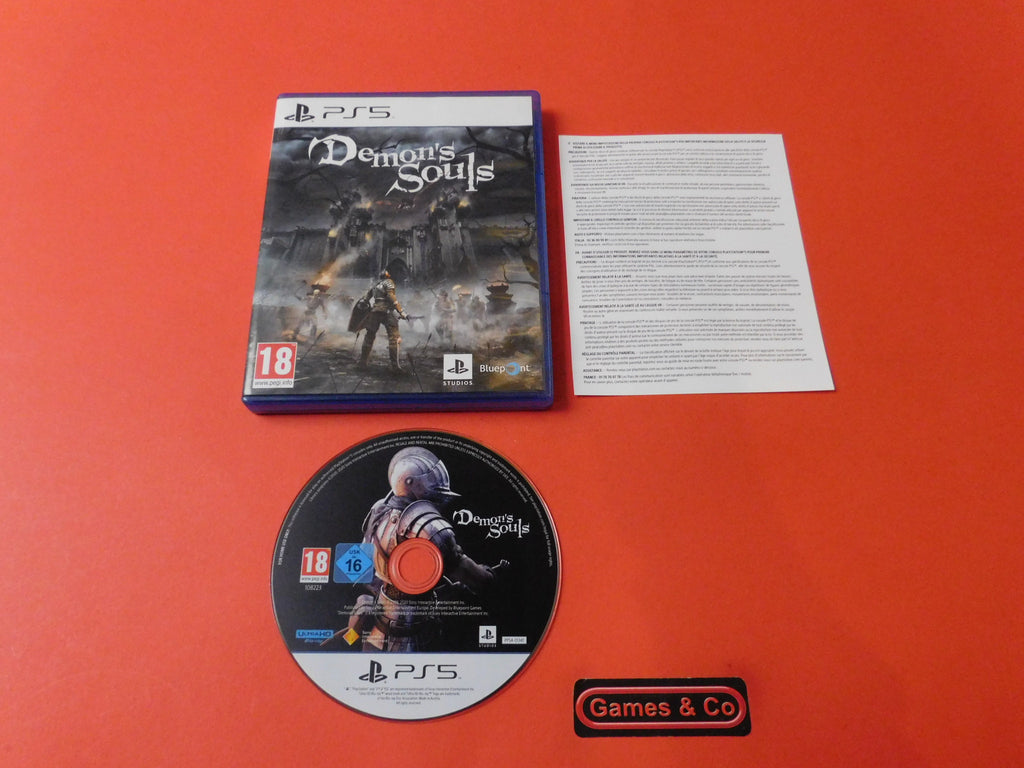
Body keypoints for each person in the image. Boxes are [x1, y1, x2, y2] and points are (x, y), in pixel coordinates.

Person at [347, 446, 507, 652]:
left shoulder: (378, 510)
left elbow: (359, 569)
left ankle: (350, 640)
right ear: (410, 482)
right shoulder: (430, 527)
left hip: (377, 629)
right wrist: (491, 576)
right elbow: (473, 577)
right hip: (415, 635)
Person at [356, 270, 408, 371]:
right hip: (387, 312)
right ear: (388, 276)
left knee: (369, 336)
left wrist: (364, 307)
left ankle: (362, 362)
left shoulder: (376, 285)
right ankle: (395, 367)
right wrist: (401, 311)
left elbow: (365, 300)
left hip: (375, 311)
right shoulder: (388, 282)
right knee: (394, 338)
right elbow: (391, 297)